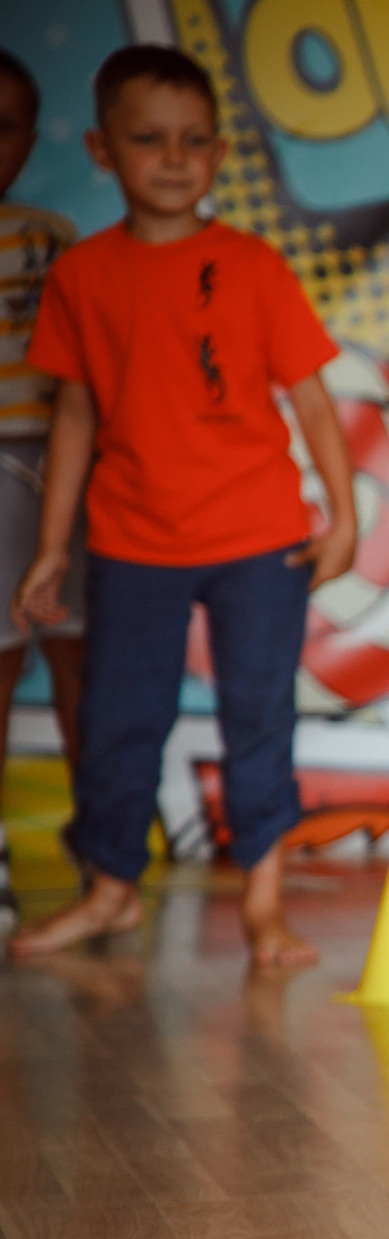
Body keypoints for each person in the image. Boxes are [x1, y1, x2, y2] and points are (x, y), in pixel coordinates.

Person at [8, 45, 357, 966]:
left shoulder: (251, 266)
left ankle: (265, 907)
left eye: (194, 141)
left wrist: (345, 516)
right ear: (100, 150)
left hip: (259, 539)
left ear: (219, 154)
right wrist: (52, 548)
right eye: (149, 139)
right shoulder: (84, 276)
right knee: (123, 719)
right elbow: (74, 410)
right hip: (130, 539)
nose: (173, 159)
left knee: (258, 717)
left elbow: (312, 400)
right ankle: (112, 890)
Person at [0, 50, 85, 931]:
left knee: (78, 661)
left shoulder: (49, 236)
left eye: (7, 124)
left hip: (55, 465)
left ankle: (102, 853)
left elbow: (83, 385)